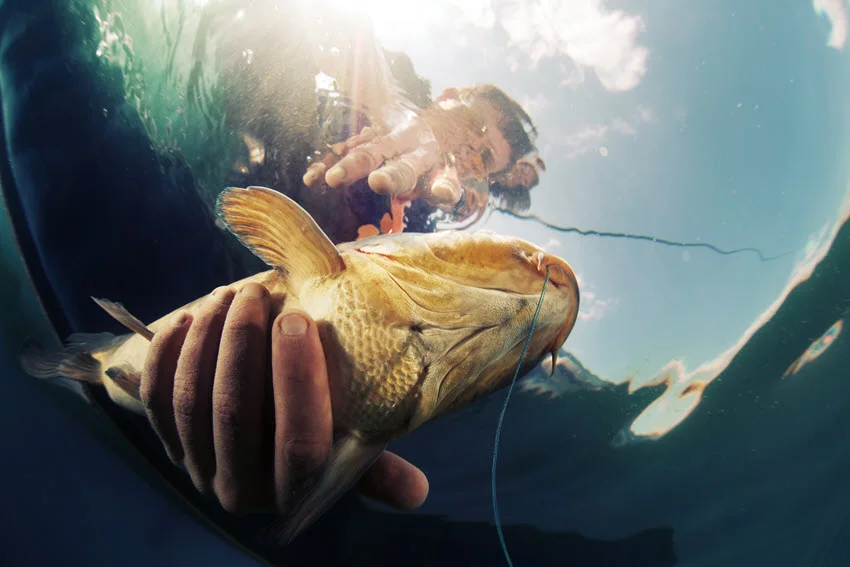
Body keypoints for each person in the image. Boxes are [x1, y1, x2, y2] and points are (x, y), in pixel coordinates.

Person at [0, 0, 543, 561]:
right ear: (449, 97)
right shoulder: (393, 75)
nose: (466, 151)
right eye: (472, 127)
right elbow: (342, 30)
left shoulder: (431, 218)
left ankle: (98, 380)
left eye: (483, 158)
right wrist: (412, 116)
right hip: (213, 198)